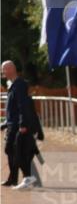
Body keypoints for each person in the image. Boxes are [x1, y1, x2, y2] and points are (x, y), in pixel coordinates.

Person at [2, 60, 43, 189]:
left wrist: (23, 124)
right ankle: (14, 178)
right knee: (12, 150)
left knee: (15, 150)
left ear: (11, 70)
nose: (2, 73)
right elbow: (13, 109)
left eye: (4, 70)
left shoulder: (19, 85)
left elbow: (23, 106)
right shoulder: (14, 85)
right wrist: (5, 123)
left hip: (18, 125)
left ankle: (27, 177)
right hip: (13, 124)